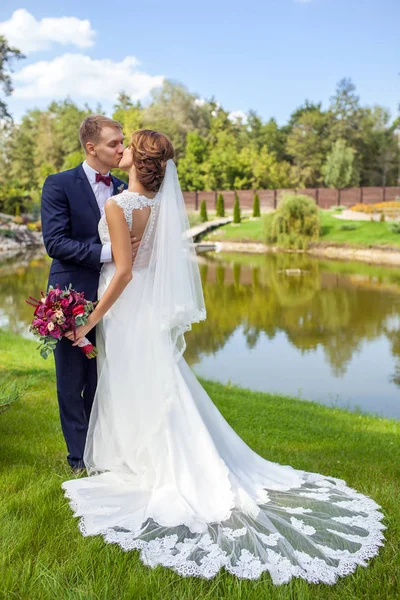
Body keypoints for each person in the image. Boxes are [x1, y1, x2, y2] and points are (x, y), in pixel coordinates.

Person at [62, 129, 385, 583]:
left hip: (124, 310)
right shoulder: (157, 207)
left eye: (128, 146)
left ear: (137, 158)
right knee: (155, 381)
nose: (123, 150)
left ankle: (153, 463)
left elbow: (126, 272)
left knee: (138, 381)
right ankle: (145, 456)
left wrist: (89, 321)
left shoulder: (120, 205)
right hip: (144, 314)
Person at [41, 115, 141, 472]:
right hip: (72, 296)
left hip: (117, 297)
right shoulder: (58, 184)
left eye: (122, 141)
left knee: (105, 379)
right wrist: (109, 253)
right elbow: (55, 242)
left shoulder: (123, 189)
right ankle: (79, 460)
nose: (121, 148)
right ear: (91, 147)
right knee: (71, 383)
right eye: (114, 143)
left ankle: (105, 452)